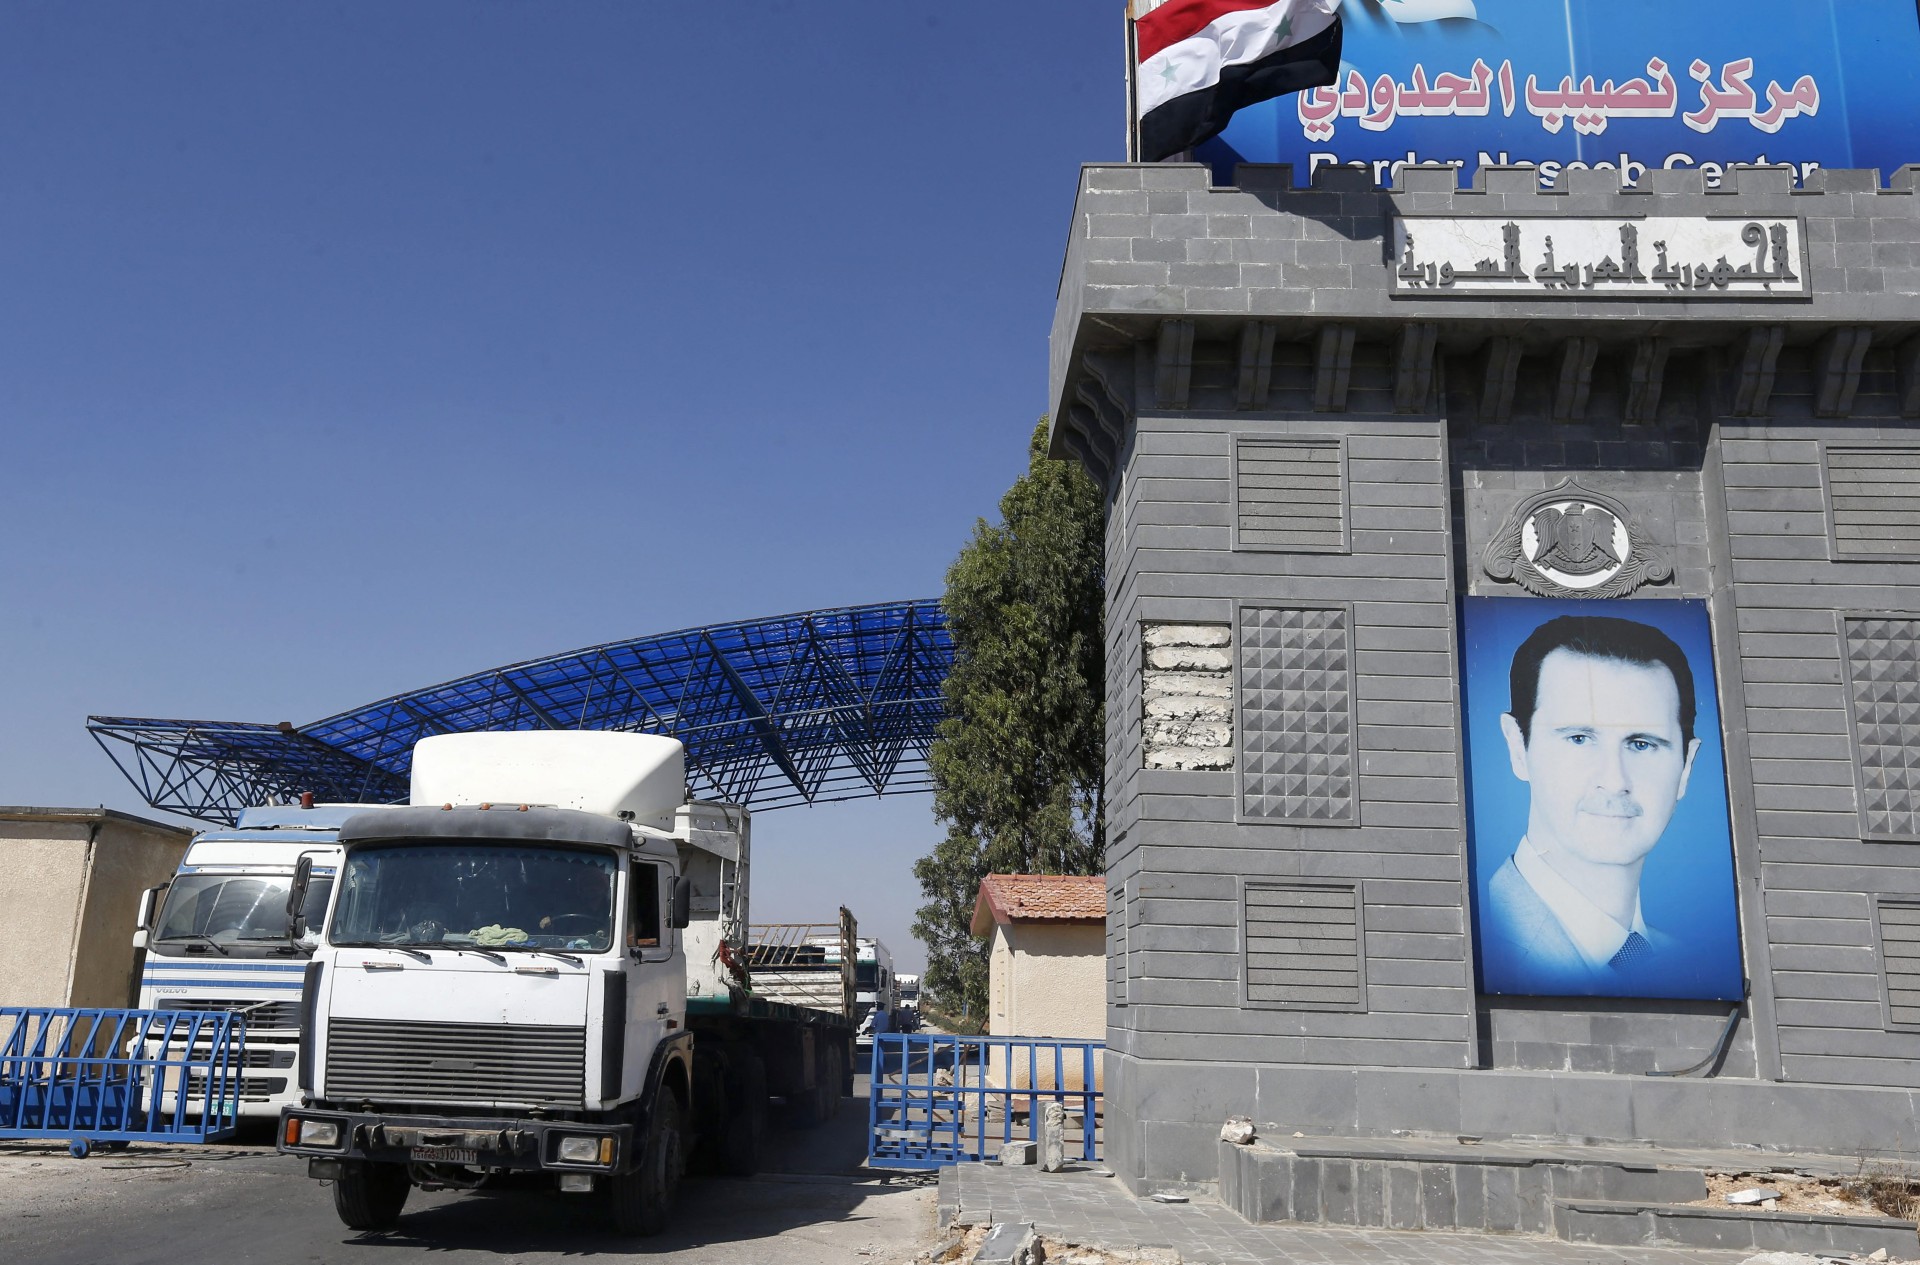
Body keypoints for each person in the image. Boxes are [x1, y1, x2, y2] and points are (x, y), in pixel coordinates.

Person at [1480, 614, 1702, 995]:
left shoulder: (1687, 966)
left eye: (1642, 743)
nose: (1615, 781)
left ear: (1686, 767)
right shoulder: (1476, 939)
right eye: (1580, 738)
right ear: (1518, 748)